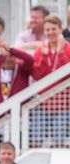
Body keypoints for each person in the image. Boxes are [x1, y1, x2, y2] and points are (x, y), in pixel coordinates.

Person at [31, 15, 70, 146]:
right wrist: (44, 55)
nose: (51, 32)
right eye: (47, 30)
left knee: (59, 142)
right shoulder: (40, 50)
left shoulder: (68, 48)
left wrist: (61, 53)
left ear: (60, 29)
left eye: (54, 29)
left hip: (63, 103)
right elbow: (37, 75)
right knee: (36, 140)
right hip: (42, 102)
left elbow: (67, 74)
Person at [0, 39, 34, 107]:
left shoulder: (21, 68)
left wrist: (11, 50)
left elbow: (30, 59)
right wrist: (1, 56)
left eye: (11, 56)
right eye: (5, 57)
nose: (8, 59)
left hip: (19, 110)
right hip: (0, 112)